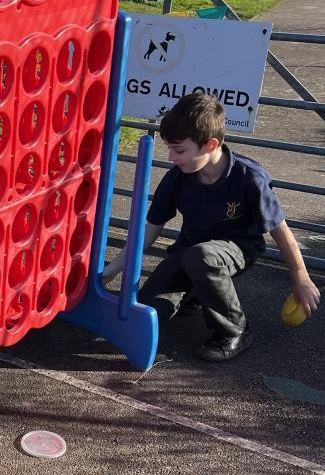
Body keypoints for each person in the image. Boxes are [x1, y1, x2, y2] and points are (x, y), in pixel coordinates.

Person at [104, 92, 319, 362]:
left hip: (238, 248)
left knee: (201, 257)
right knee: (146, 314)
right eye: (169, 148)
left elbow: (280, 229)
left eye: (179, 150)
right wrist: (113, 268)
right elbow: (151, 228)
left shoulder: (249, 178)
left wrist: (300, 276)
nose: (171, 156)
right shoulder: (178, 177)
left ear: (209, 144)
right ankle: (195, 292)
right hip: (190, 252)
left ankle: (235, 331)